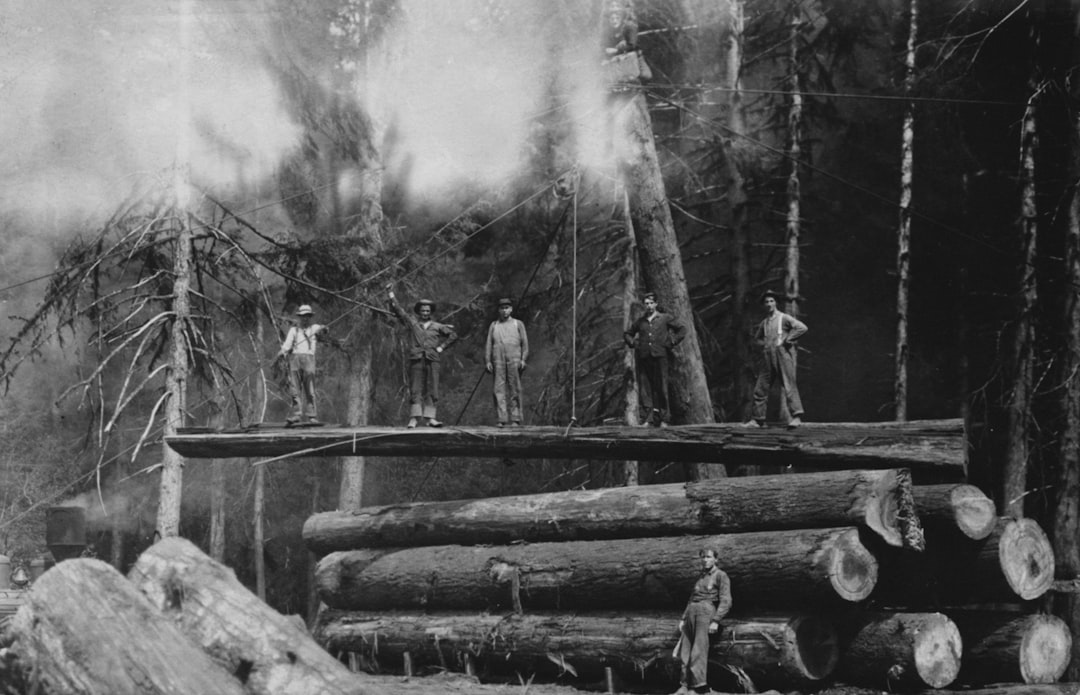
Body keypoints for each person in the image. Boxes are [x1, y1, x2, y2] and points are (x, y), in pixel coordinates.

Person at [387, 287, 458, 428]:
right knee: (416, 389)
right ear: (419, 312)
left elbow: (453, 335)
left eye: (427, 311)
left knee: (433, 389)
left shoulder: (438, 326)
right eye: (423, 311)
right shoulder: (413, 323)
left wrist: (441, 347)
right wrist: (390, 294)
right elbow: (399, 311)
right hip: (417, 360)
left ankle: (430, 418)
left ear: (430, 312)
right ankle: (414, 418)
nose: (425, 313)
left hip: (433, 361)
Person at [747, 290, 808, 428]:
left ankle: (797, 417)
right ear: (764, 304)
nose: (769, 304)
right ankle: (757, 420)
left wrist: (788, 340)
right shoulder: (765, 322)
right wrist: (765, 346)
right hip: (768, 356)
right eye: (766, 302)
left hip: (782, 355)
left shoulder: (784, 318)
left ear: (776, 303)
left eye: (771, 301)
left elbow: (802, 328)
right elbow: (757, 339)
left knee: (789, 385)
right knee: (760, 387)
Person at [624, 292, 686, 427]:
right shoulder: (640, 322)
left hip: (660, 357)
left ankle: (664, 419)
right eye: (646, 303)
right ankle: (648, 419)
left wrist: (672, 342)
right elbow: (628, 334)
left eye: (651, 303)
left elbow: (682, 329)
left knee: (662, 387)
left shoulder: (664, 318)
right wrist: (634, 343)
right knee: (646, 390)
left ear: (656, 304)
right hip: (645, 358)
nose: (649, 306)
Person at [675, 547, 732, 694]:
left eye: (708, 557)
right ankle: (684, 685)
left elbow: (726, 600)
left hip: (706, 612)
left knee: (698, 650)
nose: (705, 560)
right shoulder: (700, 577)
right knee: (685, 650)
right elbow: (691, 598)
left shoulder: (721, 575)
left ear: (716, 559)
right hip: (691, 612)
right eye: (703, 557)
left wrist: (716, 620)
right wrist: (683, 618)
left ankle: (697, 687)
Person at [277, 304, 329, 425]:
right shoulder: (293, 330)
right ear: (299, 317)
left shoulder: (314, 328)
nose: (305, 318)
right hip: (295, 360)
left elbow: (324, 330)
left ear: (310, 317)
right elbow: (287, 345)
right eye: (303, 316)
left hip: (309, 360)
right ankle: (297, 414)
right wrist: (282, 352)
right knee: (294, 389)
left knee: (309, 389)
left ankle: (312, 416)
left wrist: (324, 328)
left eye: (307, 316)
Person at [485, 297, 529, 427]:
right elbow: (488, 344)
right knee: (498, 389)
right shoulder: (494, 325)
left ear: (511, 309)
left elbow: (525, 344)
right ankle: (501, 418)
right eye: (502, 308)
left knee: (514, 388)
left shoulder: (518, 324)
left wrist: (523, 359)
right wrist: (488, 360)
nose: (504, 311)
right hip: (498, 360)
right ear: (498, 310)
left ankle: (515, 418)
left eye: (507, 308)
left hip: (514, 359)